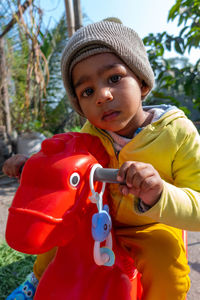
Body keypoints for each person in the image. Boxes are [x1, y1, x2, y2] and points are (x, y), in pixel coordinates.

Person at [3, 20, 200, 300]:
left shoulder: (178, 133)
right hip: (98, 217)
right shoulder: (90, 133)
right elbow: (61, 162)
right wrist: (31, 165)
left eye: (114, 78)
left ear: (142, 82)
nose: (102, 96)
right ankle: (37, 279)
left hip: (150, 226)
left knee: (166, 263)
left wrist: (159, 195)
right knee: (60, 231)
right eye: (87, 91)